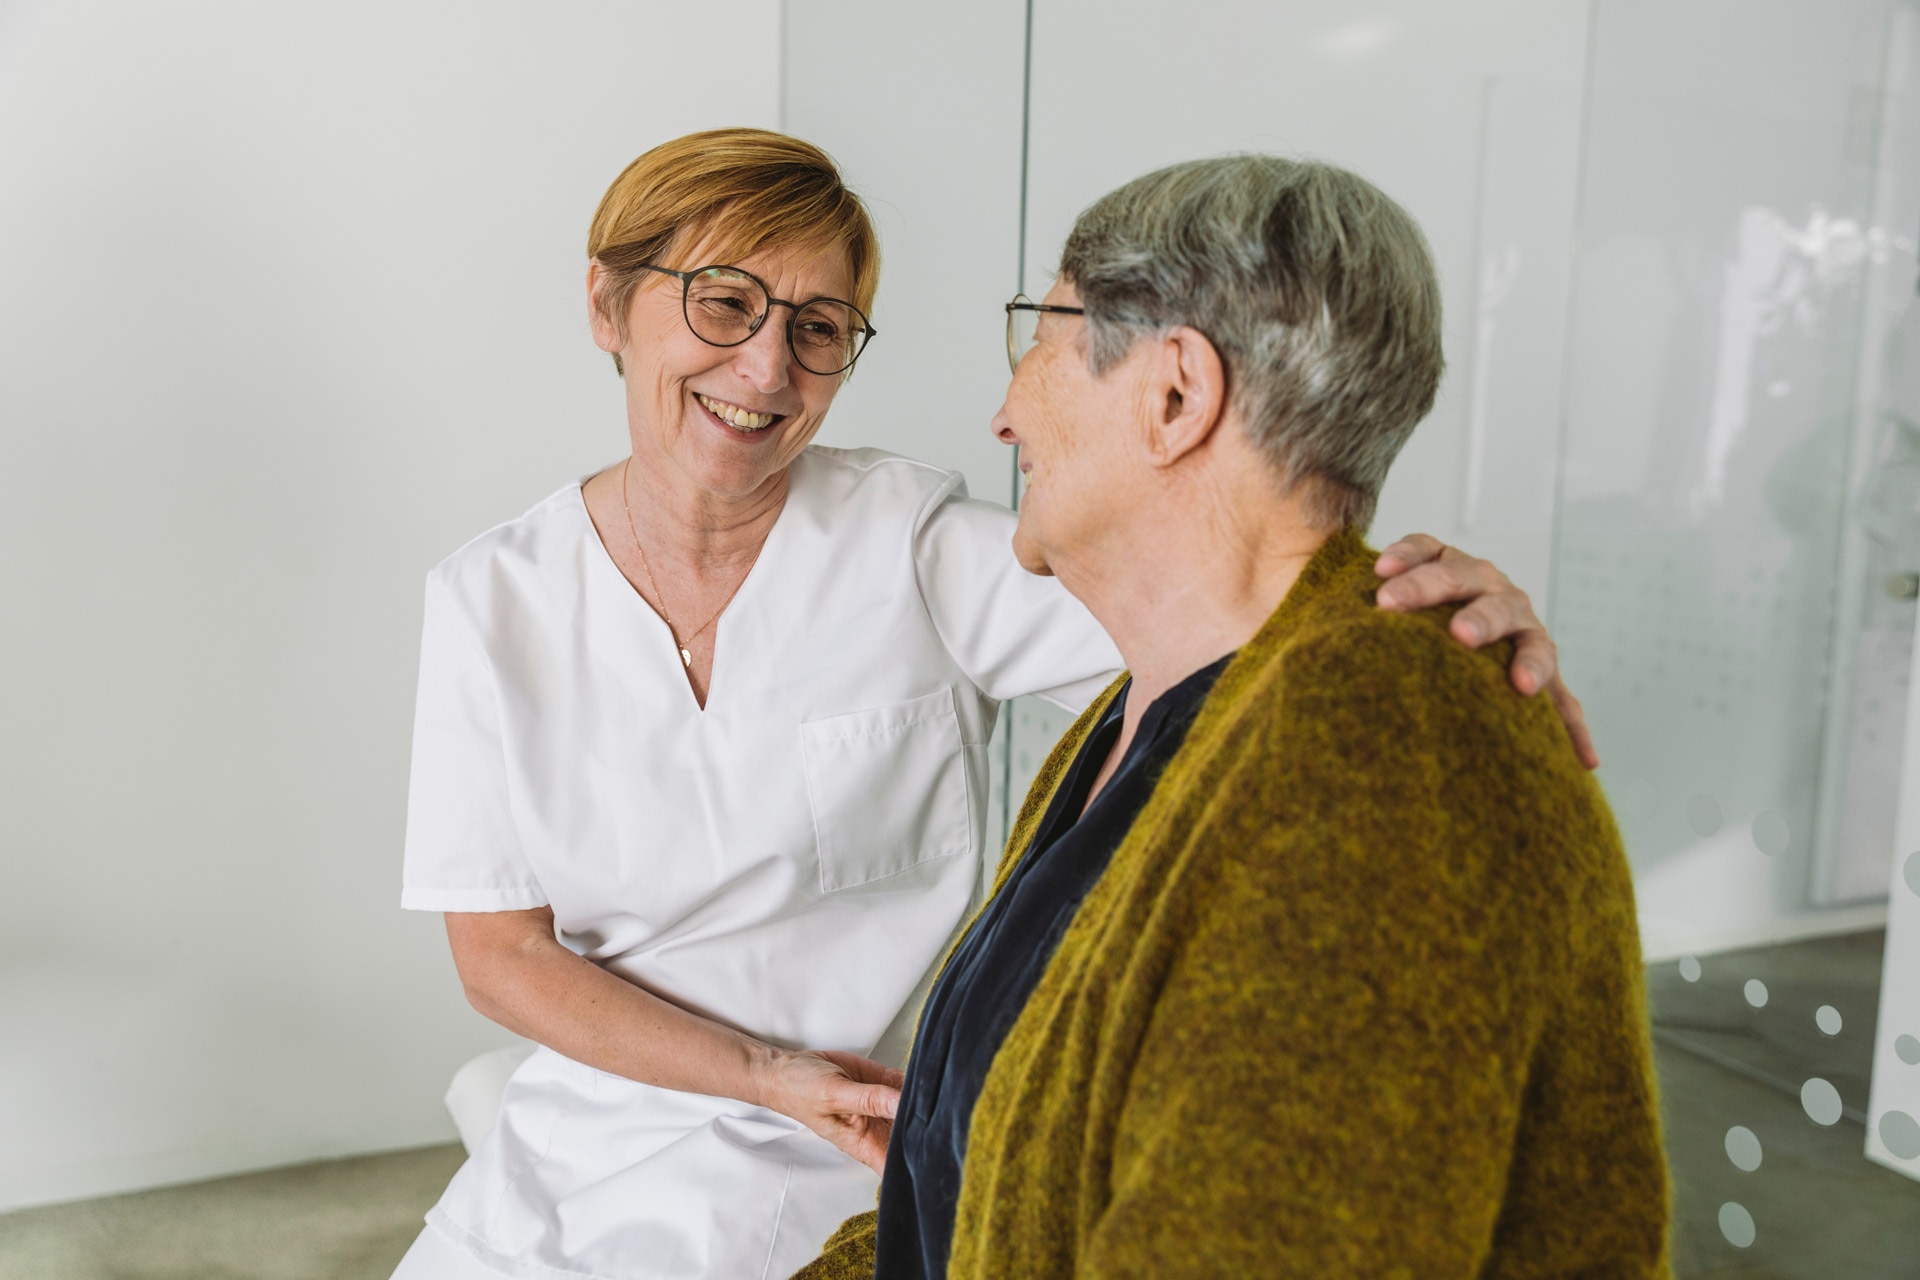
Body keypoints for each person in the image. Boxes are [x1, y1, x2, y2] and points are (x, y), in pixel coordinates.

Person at [391, 130, 1597, 1280]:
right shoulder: (494, 596)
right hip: (596, 1149)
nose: (767, 367)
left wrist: (1427, 610)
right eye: (723, 303)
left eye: (819, 327)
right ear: (608, 306)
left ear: (1174, 394)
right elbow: (500, 954)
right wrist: (760, 1071)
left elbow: (1230, 614)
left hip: (851, 1146)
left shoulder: (917, 548)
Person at [797, 155, 1668, 1279]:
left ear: (1174, 393)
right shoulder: (1144, 719)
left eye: (1041, 335)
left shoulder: (1391, 753)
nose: (1005, 412)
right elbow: (979, 1192)